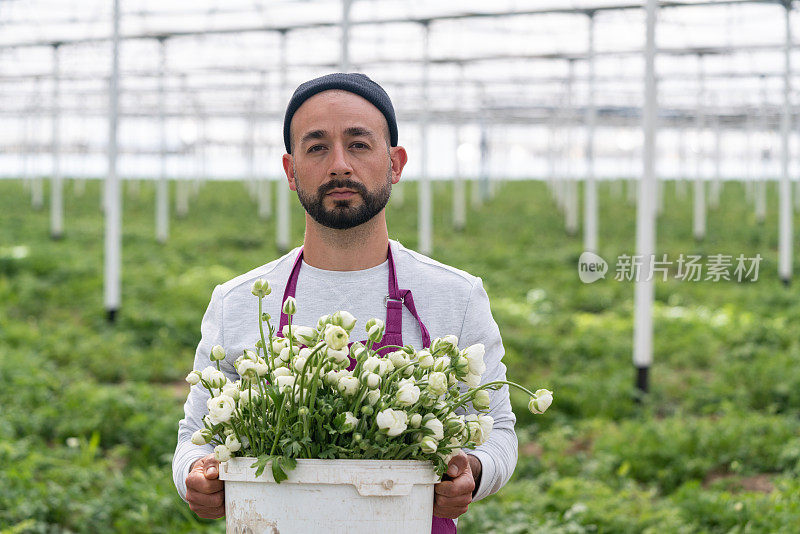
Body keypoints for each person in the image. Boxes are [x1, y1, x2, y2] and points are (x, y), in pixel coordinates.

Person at [172, 73, 518, 532]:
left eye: (358, 144)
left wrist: (470, 472)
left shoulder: (455, 295)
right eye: (316, 147)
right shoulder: (238, 302)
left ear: (395, 164)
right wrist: (197, 476)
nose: (339, 165)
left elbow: (496, 430)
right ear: (291, 171)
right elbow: (194, 437)